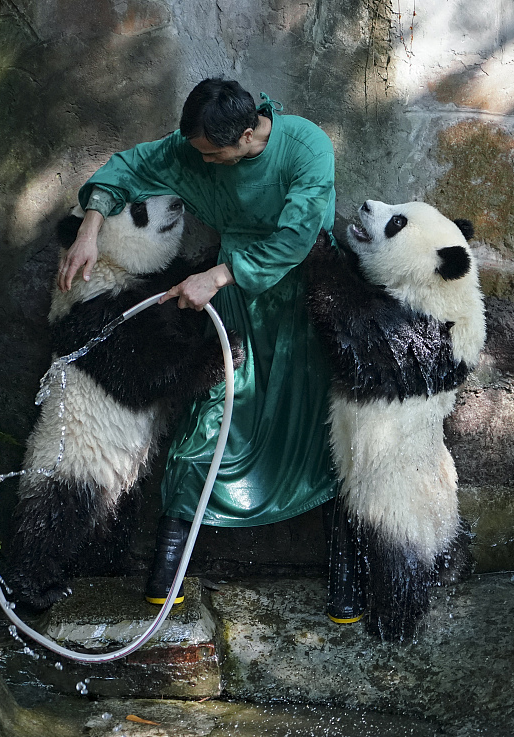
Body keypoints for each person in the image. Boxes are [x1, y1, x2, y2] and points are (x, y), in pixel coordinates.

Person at [57, 78, 360, 622]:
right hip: (234, 303)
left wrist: (216, 275)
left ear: (249, 135)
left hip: (305, 302)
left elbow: (297, 235)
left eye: (214, 154)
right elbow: (126, 167)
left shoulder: (306, 145)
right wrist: (90, 229)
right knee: (210, 420)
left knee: (325, 431)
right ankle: (166, 575)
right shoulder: (193, 147)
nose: (204, 163)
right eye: (198, 152)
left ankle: (346, 580)